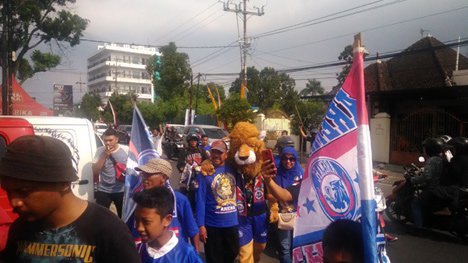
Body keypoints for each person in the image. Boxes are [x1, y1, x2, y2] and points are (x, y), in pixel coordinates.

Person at [0, 135, 140, 262]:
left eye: (24, 191)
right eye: (9, 191)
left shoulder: (108, 230)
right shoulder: (21, 228)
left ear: (62, 184)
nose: (14, 202)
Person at [134, 158, 200, 252]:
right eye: (143, 174)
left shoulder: (179, 200)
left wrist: (195, 254)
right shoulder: (139, 201)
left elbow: (193, 231)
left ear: (163, 178)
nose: (144, 178)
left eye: (149, 174)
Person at [196, 140, 239, 263]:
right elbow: (200, 200)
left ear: (226, 154)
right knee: (214, 258)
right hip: (212, 224)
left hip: (232, 223)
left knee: (232, 253)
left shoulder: (233, 169)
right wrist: (201, 225)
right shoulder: (205, 173)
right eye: (213, 152)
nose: (216, 156)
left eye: (220, 153)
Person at [133, 187, 202, 263]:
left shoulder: (187, 255)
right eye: (137, 220)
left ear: (167, 220)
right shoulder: (137, 252)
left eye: (146, 222)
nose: (139, 228)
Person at [268, 146, 302, 263]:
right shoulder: (275, 174)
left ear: (295, 160)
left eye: (292, 159)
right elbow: (269, 194)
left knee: (297, 247)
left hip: (299, 217)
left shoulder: (301, 174)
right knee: (285, 248)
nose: (288, 161)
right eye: (285, 158)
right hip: (283, 216)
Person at [92, 127, 129, 218]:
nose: (107, 143)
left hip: (121, 190)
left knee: (123, 217)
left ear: (116, 139)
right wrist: (104, 156)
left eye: (110, 140)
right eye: (105, 140)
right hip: (103, 190)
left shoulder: (126, 150)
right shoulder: (100, 151)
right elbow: (95, 170)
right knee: (100, 217)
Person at [178, 133, 208, 212]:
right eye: (192, 140)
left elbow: (207, 162)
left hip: (200, 175)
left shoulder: (201, 151)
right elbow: (179, 164)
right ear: (189, 141)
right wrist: (185, 167)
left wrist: (202, 167)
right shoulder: (184, 151)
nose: (193, 142)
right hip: (189, 177)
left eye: (195, 140)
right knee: (186, 192)